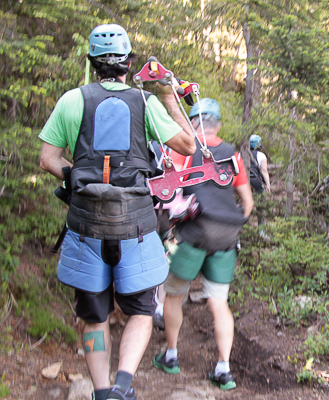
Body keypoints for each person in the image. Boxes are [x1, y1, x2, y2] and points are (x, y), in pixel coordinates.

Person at [38, 24, 196, 400]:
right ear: (129, 63)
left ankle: (102, 391)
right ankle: (124, 386)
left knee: (93, 315)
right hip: (136, 225)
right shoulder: (145, 103)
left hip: (85, 224)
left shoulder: (72, 100)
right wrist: (169, 95)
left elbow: (47, 159)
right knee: (141, 310)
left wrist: (77, 178)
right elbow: (188, 145)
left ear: (93, 63)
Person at [153, 98, 253, 391]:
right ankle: (224, 369)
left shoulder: (182, 150)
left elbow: (166, 194)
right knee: (219, 303)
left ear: (191, 123)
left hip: (191, 234)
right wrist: (231, 224)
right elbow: (247, 204)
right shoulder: (233, 155)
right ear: (218, 124)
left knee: (173, 295)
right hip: (226, 237)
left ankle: (171, 355)